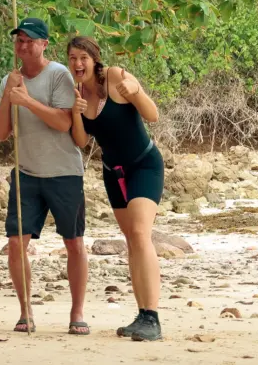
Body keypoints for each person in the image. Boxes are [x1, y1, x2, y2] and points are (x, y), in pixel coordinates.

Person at [0, 17, 88, 335]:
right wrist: (9, 94)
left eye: (30, 40)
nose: (23, 45)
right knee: (17, 243)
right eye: (19, 39)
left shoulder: (59, 74)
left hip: (64, 172)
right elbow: (1, 133)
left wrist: (27, 100)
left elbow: (63, 123)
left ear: (44, 44)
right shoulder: (10, 79)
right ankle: (25, 312)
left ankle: (77, 313)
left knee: (73, 243)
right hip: (26, 173)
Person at [68, 36, 163, 341]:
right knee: (131, 240)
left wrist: (138, 92)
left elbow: (152, 115)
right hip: (112, 172)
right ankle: (142, 315)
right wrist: (75, 112)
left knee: (139, 233)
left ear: (95, 58)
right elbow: (81, 142)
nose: (78, 64)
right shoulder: (77, 92)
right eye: (72, 58)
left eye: (83, 57)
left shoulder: (116, 76)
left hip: (144, 164)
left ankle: (152, 317)